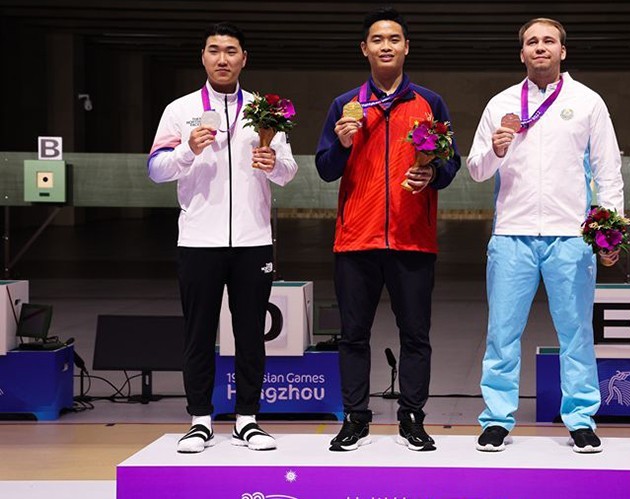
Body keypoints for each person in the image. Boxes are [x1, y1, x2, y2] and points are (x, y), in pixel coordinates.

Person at [467, 17, 624, 453]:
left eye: (548, 41)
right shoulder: (500, 103)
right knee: (502, 333)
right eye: (532, 42)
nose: (540, 48)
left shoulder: (588, 102)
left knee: (576, 333)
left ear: (562, 51)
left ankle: (580, 419)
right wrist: (495, 150)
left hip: (570, 237)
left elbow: (609, 172)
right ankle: (497, 418)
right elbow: (476, 169)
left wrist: (608, 231)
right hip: (511, 235)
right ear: (522, 54)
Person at [315, 7, 460, 452]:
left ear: (406, 47)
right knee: (354, 335)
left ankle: (412, 418)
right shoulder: (345, 105)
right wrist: (340, 143)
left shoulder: (429, 103)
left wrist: (432, 174)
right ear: (365, 48)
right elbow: (324, 169)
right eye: (377, 39)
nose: (386, 46)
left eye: (394, 38)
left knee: (416, 335)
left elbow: (450, 164)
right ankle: (355, 418)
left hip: (413, 239)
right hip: (356, 239)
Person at [148, 22, 298, 453]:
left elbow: (288, 173)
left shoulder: (265, 111)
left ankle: (247, 419)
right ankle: (199, 420)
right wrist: (186, 151)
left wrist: (272, 163)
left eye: (231, 51)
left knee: (250, 332)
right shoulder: (180, 110)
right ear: (203, 57)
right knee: (198, 332)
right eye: (214, 50)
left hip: (253, 240)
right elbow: (155, 169)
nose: (223, 59)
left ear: (243, 59)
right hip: (198, 240)